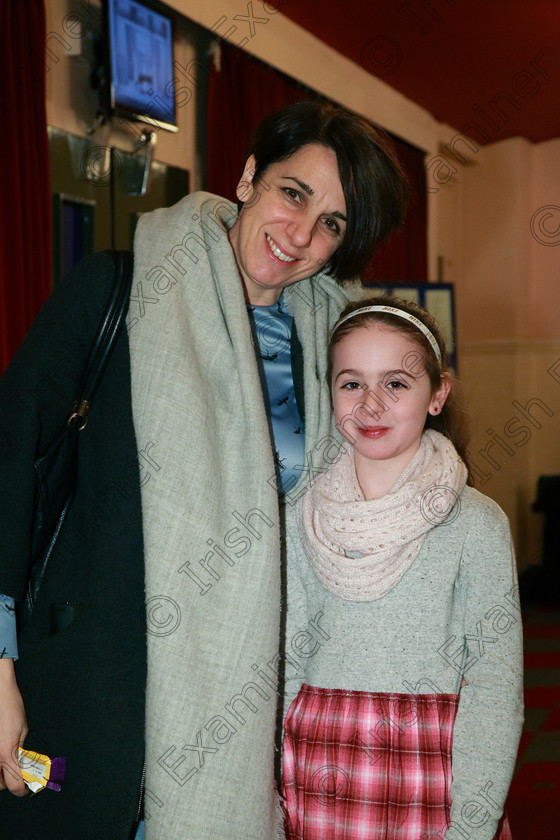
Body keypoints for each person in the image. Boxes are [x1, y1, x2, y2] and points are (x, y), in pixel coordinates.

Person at [0, 103, 408, 839]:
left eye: (334, 225)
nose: (301, 236)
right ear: (250, 176)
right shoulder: (119, 291)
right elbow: (8, 455)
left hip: (247, 716)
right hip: (87, 692)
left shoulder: (334, 351)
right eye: (293, 193)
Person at [280, 296, 524, 840]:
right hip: (317, 777)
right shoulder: (302, 515)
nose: (371, 405)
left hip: (432, 780)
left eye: (395, 383)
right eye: (351, 384)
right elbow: (284, 666)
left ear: (437, 394)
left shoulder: (477, 526)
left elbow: (495, 688)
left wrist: (473, 823)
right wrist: (273, 800)